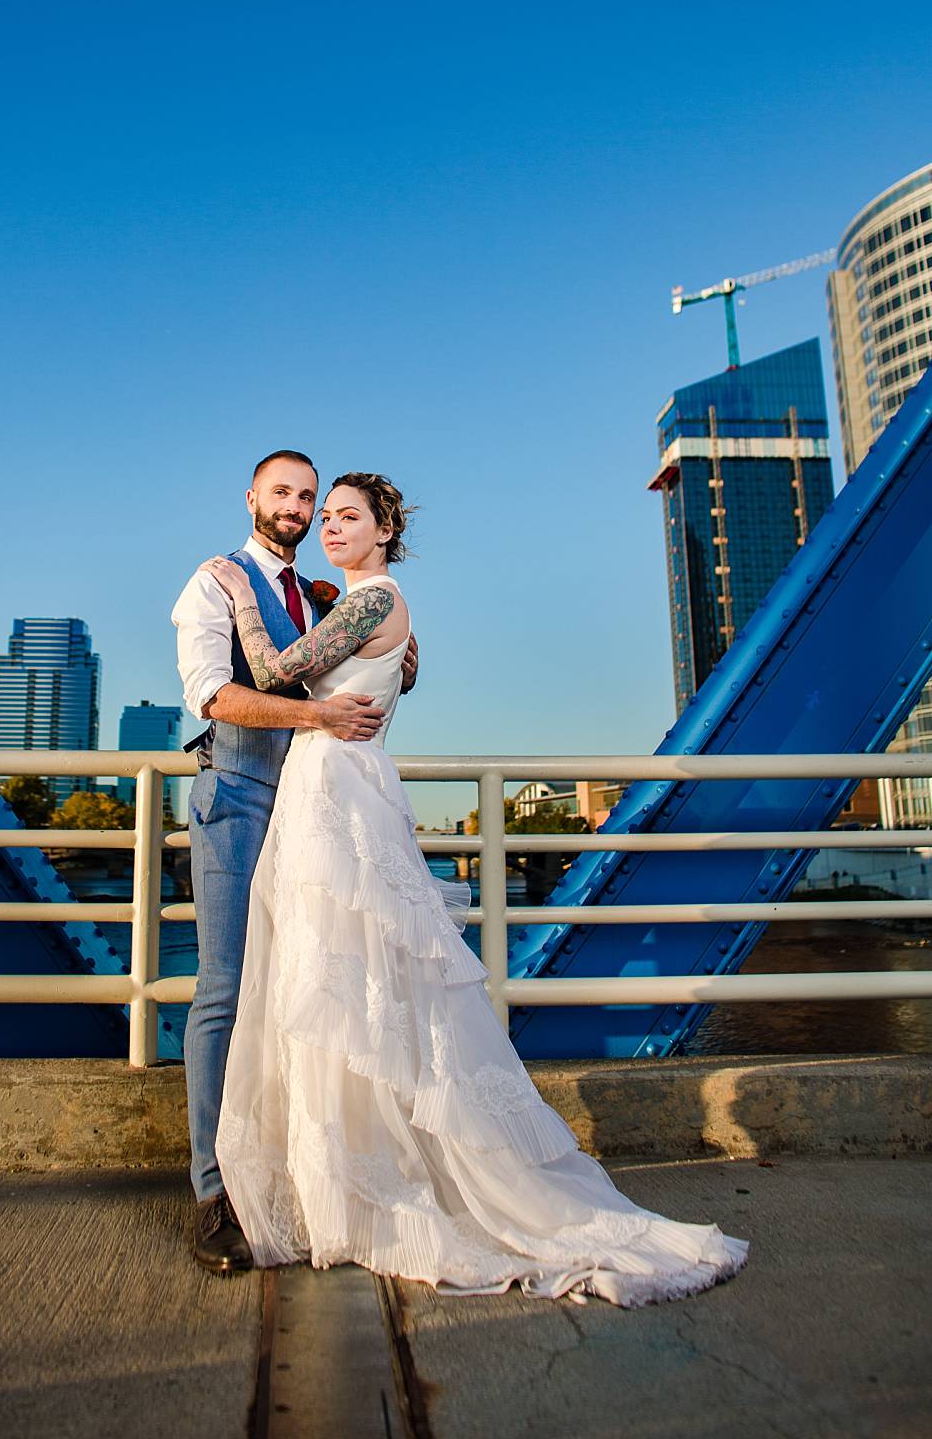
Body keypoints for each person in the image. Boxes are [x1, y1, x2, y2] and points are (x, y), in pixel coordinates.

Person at [204, 472, 749, 1306]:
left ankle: (360, 1180)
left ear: (385, 530)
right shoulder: (363, 604)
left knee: (344, 974)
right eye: (329, 516)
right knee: (345, 978)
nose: (332, 527)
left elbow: (278, 668)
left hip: (335, 789)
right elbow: (369, 669)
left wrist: (235, 581)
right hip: (334, 787)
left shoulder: (368, 601)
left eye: (350, 515)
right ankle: (343, 1175)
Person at [171, 449, 418, 1272]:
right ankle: (213, 1194)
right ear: (251, 496)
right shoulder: (214, 583)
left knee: (305, 992)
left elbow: (384, 665)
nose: (299, 506)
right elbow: (215, 696)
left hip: (314, 811)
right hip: (239, 798)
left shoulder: (322, 595)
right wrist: (314, 720)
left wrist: (397, 657)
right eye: (284, 491)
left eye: (310, 497)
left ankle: (280, 1174)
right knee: (226, 988)